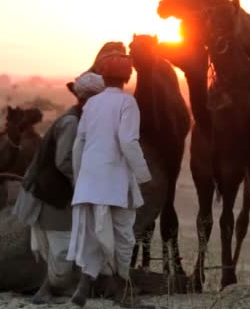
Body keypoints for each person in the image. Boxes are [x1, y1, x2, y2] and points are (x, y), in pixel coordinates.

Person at [66, 48, 152, 307]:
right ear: (128, 77)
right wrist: (143, 174)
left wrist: (81, 178)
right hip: (114, 184)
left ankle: (83, 288)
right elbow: (128, 140)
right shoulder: (128, 103)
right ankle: (122, 292)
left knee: (94, 235)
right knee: (123, 236)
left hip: (89, 184)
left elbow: (78, 145)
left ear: (103, 77)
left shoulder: (91, 103)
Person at [12, 71, 106, 304]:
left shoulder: (78, 119)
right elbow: (64, 162)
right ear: (87, 98)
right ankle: (46, 291)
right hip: (50, 197)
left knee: (69, 247)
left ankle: (47, 291)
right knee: (62, 254)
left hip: (54, 194)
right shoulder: (72, 123)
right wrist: (86, 186)